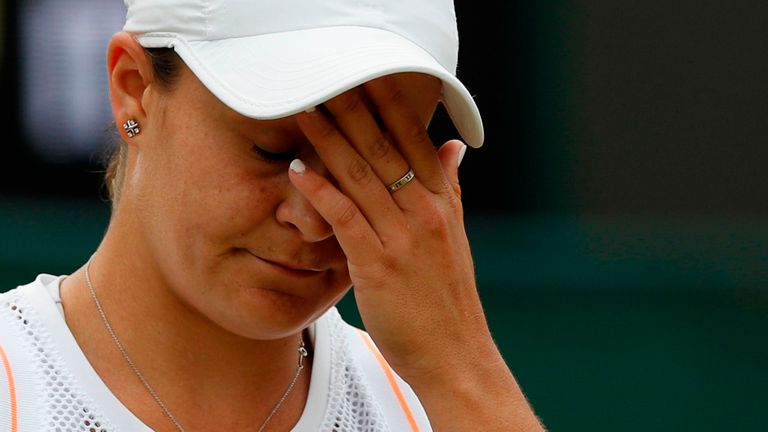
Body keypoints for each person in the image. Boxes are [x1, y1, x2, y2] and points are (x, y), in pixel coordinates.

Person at [0, 0, 545, 430]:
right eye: (273, 150)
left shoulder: (439, 405)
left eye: (376, 165)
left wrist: (461, 370)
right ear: (134, 90)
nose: (313, 219)